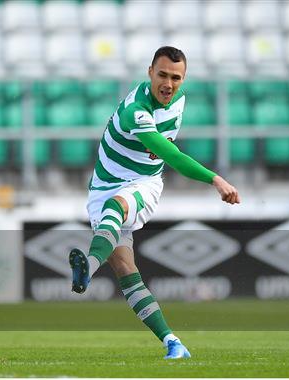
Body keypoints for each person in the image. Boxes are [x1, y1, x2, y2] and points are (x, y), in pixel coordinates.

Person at [69, 46, 240, 360]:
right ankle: (173, 343)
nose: (169, 84)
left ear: (183, 79)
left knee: (116, 207)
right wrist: (216, 179)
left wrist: (214, 179)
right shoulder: (136, 110)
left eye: (176, 78)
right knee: (124, 268)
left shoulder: (179, 100)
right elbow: (172, 154)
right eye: (162, 75)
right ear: (150, 72)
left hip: (143, 185)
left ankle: (87, 270)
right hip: (101, 188)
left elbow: (167, 158)